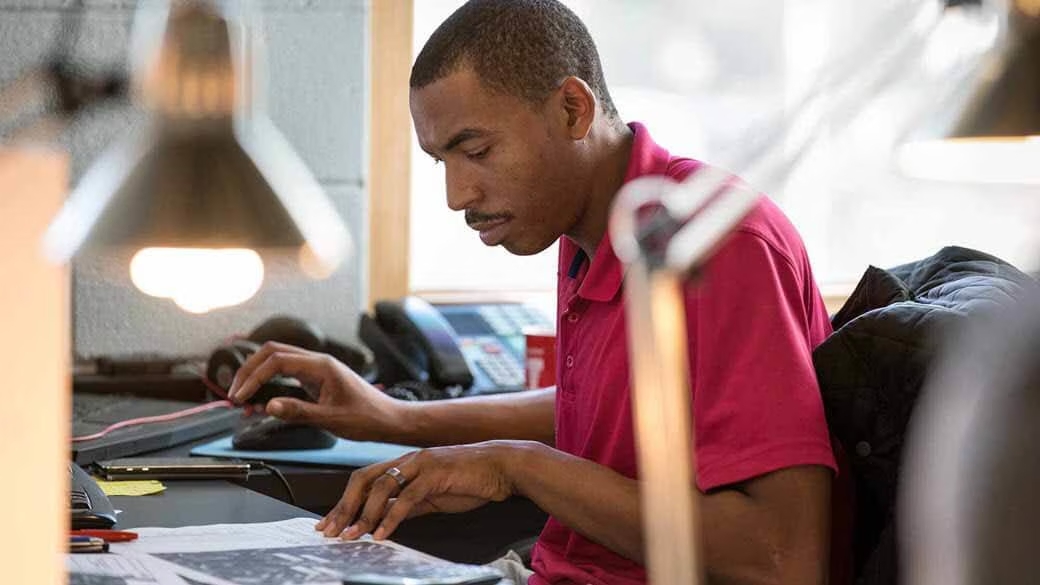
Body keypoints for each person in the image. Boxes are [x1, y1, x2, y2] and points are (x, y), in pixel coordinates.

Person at [229, 1, 846, 583]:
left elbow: (783, 555)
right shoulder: (587, 231)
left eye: (477, 151)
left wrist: (517, 466)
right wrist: (394, 418)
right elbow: (606, 408)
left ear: (573, 110)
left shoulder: (713, 245)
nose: (457, 195)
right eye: (441, 160)